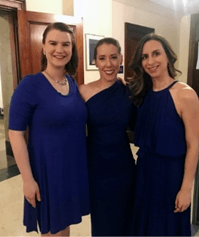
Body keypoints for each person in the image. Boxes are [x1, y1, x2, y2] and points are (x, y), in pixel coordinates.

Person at [8, 22, 90, 236]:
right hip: (47, 172)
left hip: (71, 170)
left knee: (65, 227)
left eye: (66, 44)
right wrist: (27, 179)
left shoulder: (72, 83)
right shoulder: (30, 85)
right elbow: (15, 133)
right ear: (43, 47)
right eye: (53, 43)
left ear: (72, 50)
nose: (59, 50)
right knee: (53, 229)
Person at [126, 33, 199, 236]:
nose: (150, 61)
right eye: (144, 57)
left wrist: (186, 189)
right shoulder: (143, 93)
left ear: (167, 56)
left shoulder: (185, 94)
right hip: (143, 173)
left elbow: (193, 145)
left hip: (171, 177)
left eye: (156, 54)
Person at [79, 37, 136, 236]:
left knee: (126, 223)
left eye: (113, 57)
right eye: (102, 58)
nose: (109, 64)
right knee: (103, 225)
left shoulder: (129, 92)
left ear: (121, 58)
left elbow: (140, 126)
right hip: (97, 170)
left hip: (124, 169)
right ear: (95, 62)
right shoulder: (83, 91)